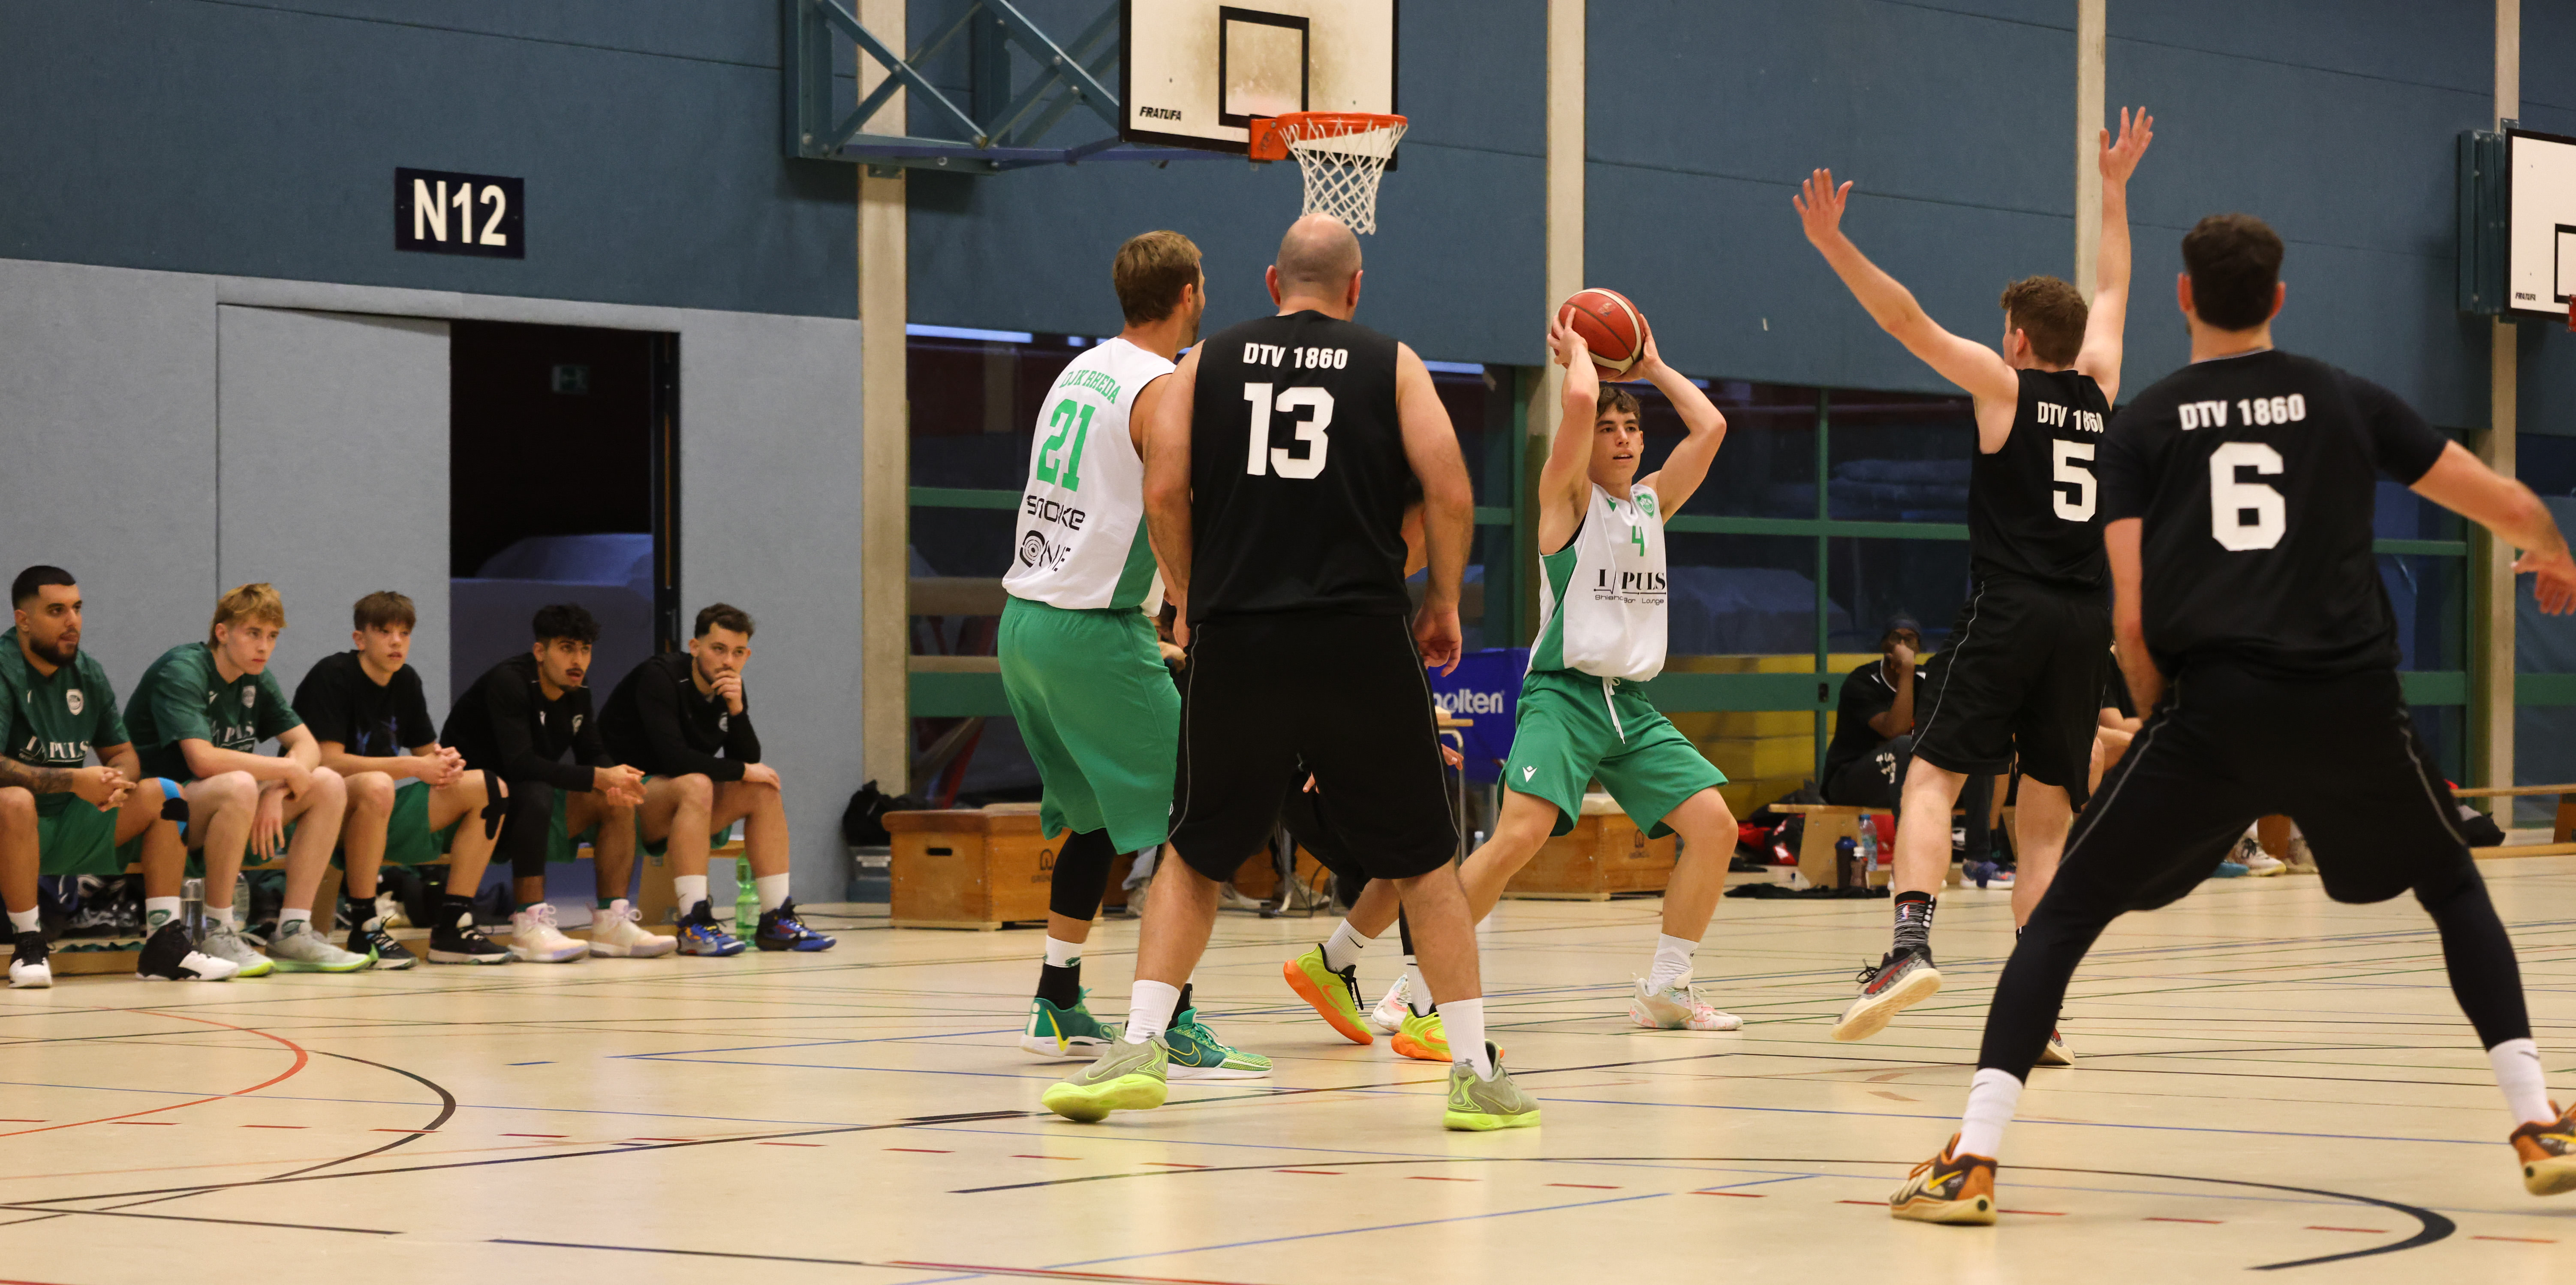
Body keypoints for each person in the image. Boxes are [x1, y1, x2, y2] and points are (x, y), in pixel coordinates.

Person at [1890, 212, 2576, 1224]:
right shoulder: (2345, 397)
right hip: (2349, 703)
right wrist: (2553, 549)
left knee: (2066, 913)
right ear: (2279, 298)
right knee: (2450, 887)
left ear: (2185, 299)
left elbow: (2130, 616)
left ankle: (1974, 1159)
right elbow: (2501, 502)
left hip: (2213, 711)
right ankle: (2535, 1121)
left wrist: (2164, 717)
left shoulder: (2145, 424)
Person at [1042, 212, 1541, 1131]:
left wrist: (1186, 595)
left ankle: (1140, 1044)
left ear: (1273, 283)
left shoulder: (1202, 364)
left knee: (1194, 852)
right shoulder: (1393, 364)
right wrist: (1440, 601)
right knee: (1424, 860)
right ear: (1355, 288)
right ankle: (1474, 1072)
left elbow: (1163, 487)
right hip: (1359, 637)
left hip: (1242, 638)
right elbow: (1450, 489)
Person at [1797, 109, 2155, 1053]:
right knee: (2044, 820)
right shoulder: (2101, 388)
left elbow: (1903, 320)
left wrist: (1834, 245)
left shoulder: (2004, 388)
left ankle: (1908, 948)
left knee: (1930, 776)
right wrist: (2114, 189)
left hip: (2011, 607)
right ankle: (2039, 1008)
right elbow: (2114, 285)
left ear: (2018, 339)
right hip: (2082, 625)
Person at [997, 229, 1264, 1077]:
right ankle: (1171, 1020)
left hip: (1023, 624)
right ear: (1188, 293)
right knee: (1194, 817)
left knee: (1095, 818)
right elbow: (1165, 496)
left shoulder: (1080, 370)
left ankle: (1057, 995)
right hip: (1092, 631)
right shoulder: (1160, 386)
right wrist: (1185, 599)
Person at [0, 567, 238, 984]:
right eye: (56, 611)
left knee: (167, 794)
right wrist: (74, 781)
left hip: (66, 822)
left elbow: (123, 753)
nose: (72, 621)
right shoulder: (5, 668)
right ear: (23, 620)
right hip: (13, 823)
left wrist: (117, 781)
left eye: (77, 608)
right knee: (14, 800)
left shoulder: (87, 672)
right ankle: (28, 944)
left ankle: (165, 942)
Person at [125, 583, 372, 974]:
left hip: (222, 808)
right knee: (239, 783)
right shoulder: (183, 669)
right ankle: (218, 929)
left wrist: (276, 790)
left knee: (327, 783)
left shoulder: (256, 676)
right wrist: (284, 771)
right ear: (222, 633)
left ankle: (294, 930)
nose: (264, 647)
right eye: (253, 633)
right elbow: (203, 760)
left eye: (272, 636)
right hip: (161, 818)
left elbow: (307, 746)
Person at [599, 603, 834, 955]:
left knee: (762, 788)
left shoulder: (729, 687)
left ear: (747, 655)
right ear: (695, 647)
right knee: (697, 782)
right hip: (621, 803)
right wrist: (742, 770)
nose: (728, 661)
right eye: (719, 649)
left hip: (678, 801)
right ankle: (693, 924)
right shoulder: (659, 677)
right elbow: (675, 759)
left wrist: (737, 710)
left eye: (738, 653)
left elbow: (747, 759)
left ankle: (777, 920)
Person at [292, 591, 511, 969]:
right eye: (385, 632)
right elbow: (326, 762)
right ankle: (365, 927)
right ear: (360, 639)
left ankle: (453, 925)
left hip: (376, 810)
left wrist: (447, 765)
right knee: (377, 783)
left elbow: (427, 754)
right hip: (319, 812)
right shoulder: (333, 675)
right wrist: (413, 767)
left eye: (404, 633)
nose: (397, 642)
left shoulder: (406, 680)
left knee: (490, 788)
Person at [442, 603, 650, 963]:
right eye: (567, 648)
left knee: (612, 799)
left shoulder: (578, 691)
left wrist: (616, 782)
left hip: (525, 809)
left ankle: (612, 922)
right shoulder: (509, 682)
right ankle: (529, 923)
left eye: (585, 650)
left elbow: (592, 752)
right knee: (536, 790)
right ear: (540, 651)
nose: (578, 660)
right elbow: (520, 764)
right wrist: (600, 776)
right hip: (472, 811)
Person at [1821, 620, 1927, 810]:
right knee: (1904, 746)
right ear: (1884, 645)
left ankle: (1978, 826)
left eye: (1910, 640)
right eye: (1896, 638)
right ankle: (1908, 824)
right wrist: (1907, 671)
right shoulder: (1862, 681)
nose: (1903, 646)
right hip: (1848, 779)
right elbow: (1896, 730)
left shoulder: (1927, 680)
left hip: (1900, 776)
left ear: (1918, 648)